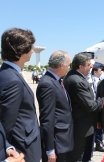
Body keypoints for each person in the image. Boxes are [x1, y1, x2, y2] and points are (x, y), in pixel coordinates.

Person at [0, 28, 41, 162]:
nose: (33, 50)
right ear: (22, 50)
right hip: (22, 146)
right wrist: (6, 148)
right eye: (31, 47)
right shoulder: (12, 79)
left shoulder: (6, 73)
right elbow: (6, 122)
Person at [63, 52, 104, 162]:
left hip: (84, 126)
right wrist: (102, 100)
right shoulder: (76, 80)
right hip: (80, 128)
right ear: (81, 67)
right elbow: (90, 105)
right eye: (88, 64)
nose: (91, 66)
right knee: (78, 157)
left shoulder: (76, 77)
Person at [36, 50, 74, 162]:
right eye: (69, 64)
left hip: (62, 142)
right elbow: (46, 119)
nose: (69, 67)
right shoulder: (47, 84)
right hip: (56, 145)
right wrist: (50, 149)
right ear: (62, 65)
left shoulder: (56, 81)